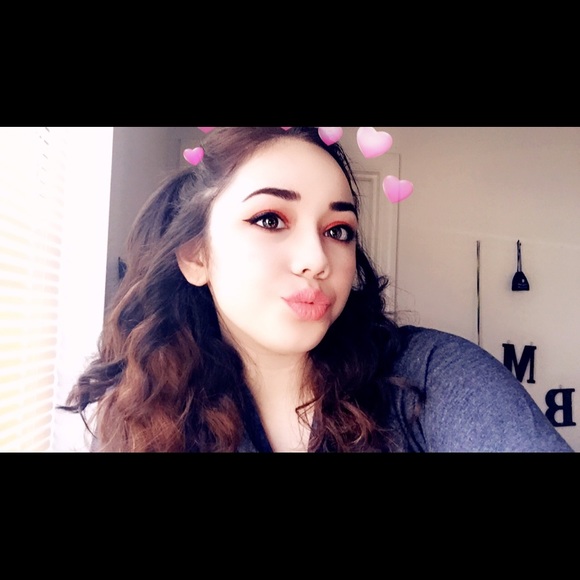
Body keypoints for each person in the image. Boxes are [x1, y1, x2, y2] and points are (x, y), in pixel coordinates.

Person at [61, 126, 574, 453]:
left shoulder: (430, 378)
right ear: (196, 255)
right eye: (270, 219)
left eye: (338, 230)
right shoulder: (147, 412)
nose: (317, 258)